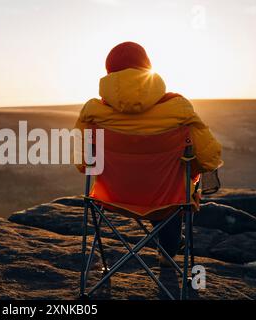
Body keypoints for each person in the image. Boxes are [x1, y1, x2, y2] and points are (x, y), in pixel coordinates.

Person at [75, 41, 223, 266]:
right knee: (174, 189)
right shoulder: (179, 107)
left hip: (112, 197)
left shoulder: (93, 112)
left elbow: (84, 163)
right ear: (147, 67)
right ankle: (168, 249)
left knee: (167, 188)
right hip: (167, 199)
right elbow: (209, 158)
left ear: (109, 72)